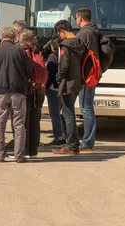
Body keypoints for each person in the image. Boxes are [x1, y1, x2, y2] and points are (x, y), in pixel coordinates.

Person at [0, 27, 32, 163]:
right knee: (19, 124)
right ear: (14, 37)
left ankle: (0, 154)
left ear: (2, 37)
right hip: (18, 91)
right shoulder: (20, 51)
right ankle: (19, 156)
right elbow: (29, 69)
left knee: (0, 124)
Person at [52, 20, 86, 155]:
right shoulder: (80, 43)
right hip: (78, 82)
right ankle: (74, 144)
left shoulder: (65, 45)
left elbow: (63, 66)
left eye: (59, 34)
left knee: (68, 114)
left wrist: (59, 78)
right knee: (69, 112)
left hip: (67, 83)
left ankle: (72, 146)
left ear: (62, 31)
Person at [75, 8, 100, 152]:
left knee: (86, 108)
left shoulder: (84, 33)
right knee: (88, 107)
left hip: (86, 76)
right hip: (93, 74)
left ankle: (87, 142)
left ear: (79, 18)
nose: (76, 21)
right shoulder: (94, 31)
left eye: (76, 18)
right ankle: (88, 141)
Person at [19, 29, 46, 159]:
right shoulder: (39, 52)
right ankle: (33, 151)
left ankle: (23, 150)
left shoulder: (22, 52)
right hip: (39, 90)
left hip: (27, 90)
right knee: (35, 121)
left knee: (24, 121)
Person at [43, 36, 66, 146]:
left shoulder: (52, 57)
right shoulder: (64, 55)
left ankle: (59, 136)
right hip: (62, 87)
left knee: (54, 114)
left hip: (52, 88)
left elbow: (49, 73)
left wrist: (45, 86)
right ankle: (62, 134)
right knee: (60, 112)